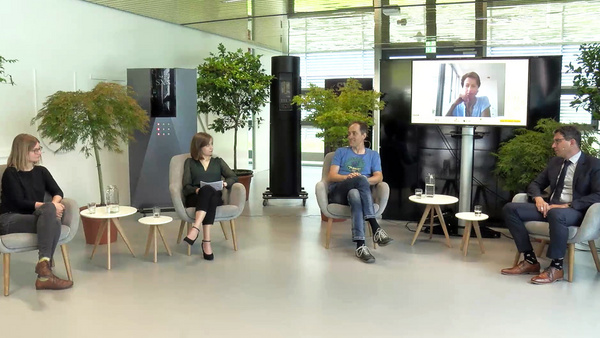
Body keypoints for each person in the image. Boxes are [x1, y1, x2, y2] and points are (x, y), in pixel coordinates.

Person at [501, 126, 600, 284]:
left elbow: (598, 194)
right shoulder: (555, 162)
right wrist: (538, 199)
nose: (553, 146)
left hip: (575, 211)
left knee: (556, 214)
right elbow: (535, 184)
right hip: (550, 207)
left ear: (571, 142)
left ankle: (556, 267)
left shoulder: (593, 164)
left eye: (557, 141)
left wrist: (566, 206)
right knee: (510, 209)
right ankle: (530, 261)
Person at [0, 134, 73, 290]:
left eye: (40, 149)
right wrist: (50, 208)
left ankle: (43, 269)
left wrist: (52, 205)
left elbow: (58, 191)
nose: (39, 153)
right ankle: (45, 274)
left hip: (35, 217)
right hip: (10, 219)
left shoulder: (41, 171)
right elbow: (18, 202)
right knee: (52, 218)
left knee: (52, 218)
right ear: (23, 152)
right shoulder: (10, 174)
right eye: (35, 150)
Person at [328, 121, 393, 263]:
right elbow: (331, 176)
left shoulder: (373, 155)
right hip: (339, 192)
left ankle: (361, 246)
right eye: (349, 133)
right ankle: (375, 227)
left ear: (364, 135)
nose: (350, 136)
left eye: (354, 133)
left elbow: (379, 177)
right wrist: (348, 177)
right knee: (359, 181)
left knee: (356, 193)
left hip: (357, 194)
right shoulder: (341, 152)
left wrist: (362, 180)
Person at [182, 132, 237, 260]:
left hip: (216, 196)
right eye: (207, 145)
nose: (211, 148)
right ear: (198, 147)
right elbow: (186, 186)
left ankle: (195, 228)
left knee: (210, 194)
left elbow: (233, 176)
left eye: (211, 144)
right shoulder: (189, 163)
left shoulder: (218, 162)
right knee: (206, 191)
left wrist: (225, 183)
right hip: (195, 198)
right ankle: (206, 242)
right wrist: (197, 190)